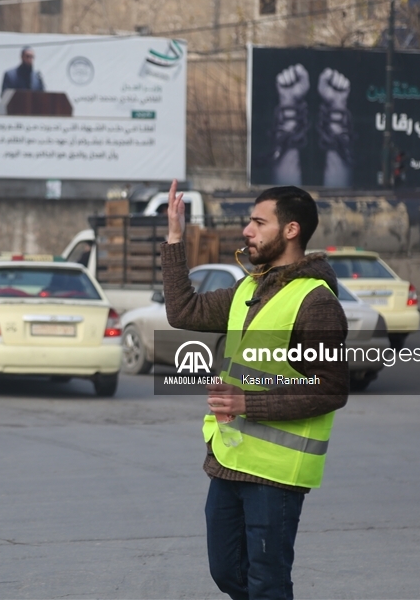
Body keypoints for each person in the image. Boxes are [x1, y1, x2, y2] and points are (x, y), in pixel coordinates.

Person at [161, 179, 348, 600]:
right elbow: (182, 310)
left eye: (258, 222)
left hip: (277, 474)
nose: (247, 230)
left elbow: (330, 389)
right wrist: (175, 237)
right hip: (229, 459)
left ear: (290, 230)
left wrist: (249, 400)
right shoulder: (250, 288)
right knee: (228, 572)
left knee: (268, 582)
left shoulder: (316, 302)